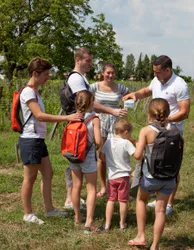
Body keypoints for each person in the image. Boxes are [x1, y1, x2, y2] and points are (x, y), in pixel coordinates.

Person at [123, 55, 190, 216]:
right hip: (155, 131)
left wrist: (165, 120)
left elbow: (185, 112)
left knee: (172, 167)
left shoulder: (180, 85)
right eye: (154, 72)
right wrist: (135, 95)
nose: (155, 75)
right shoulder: (157, 81)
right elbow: (147, 90)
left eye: (157, 72)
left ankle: (169, 203)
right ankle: (159, 194)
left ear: (168, 70)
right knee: (153, 161)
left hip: (171, 132)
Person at [19, 57, 83, 225]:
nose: (48, 77)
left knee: (48, 173)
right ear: (35, 73)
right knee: (30, 178)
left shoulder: (35, 91)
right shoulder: (27, 92)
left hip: (38, 140)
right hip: (30, 141)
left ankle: (49, 210)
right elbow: (39, 115)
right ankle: (28, 214)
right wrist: (66, 117)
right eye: (46, 74)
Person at [63, 48, 127, 210]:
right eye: (88, 61)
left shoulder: (83, 79)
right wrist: (112, 110)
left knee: (79, 166)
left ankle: (75, 204)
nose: (90, 64)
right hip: (87, 127)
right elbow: (85, 102)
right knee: (86, 169)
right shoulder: (78, 80)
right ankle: (77, 203)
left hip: (89, 126)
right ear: (78, 60)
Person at [128, 98, 180, 250]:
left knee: (141, 200)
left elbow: (138, 155)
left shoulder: (146, 131)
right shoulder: (175, 130)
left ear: (149, 113)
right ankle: (155, 246)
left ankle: (141, 236)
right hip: (169, 177)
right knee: (161, 210)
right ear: (168, 112)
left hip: (151, 177)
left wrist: (137, 145)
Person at [90, 62, 129, 198]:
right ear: (102, 73)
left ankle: (116, 187)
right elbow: (87, 100)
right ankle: (103, 187)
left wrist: (125, 107)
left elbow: (130, 96)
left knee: (115, 154)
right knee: (101, 155)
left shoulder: (119, 87)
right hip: (98, 122)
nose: (110, 75)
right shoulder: (95, 86)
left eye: (112, 73)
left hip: (114, 123)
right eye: (108, 73)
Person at [69, 90, 101, 233]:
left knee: (76, 187)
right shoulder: (94, 119)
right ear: (91, 102)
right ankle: (89, 221)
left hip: (73, 155)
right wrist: (96, 147)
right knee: (91, 188)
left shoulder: (73, 117)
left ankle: (77, 217)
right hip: (87, 155)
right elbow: (98, 140)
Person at [99, 119, 135, 232]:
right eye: (130, 133)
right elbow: (136, 154)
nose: (130, 136)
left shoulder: (108, 142)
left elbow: (101, 156)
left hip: (111, 177)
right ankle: (122, 224)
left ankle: (107, 225)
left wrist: (108, 161)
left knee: (111, 200)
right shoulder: (126, 143)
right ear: (125, 132)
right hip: (123, 176)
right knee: (123, 200)